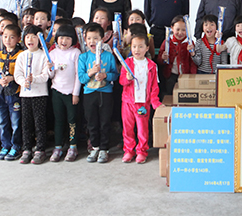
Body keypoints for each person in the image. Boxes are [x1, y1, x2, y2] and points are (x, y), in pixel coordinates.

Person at [79, 23, 120, 164]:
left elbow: (115, 75)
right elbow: (81, 78)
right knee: (91, 122)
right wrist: (90, 72)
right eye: (89, 38)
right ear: (85, 40)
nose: (92, 41)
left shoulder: (108, 56)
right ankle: (95, 147)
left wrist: (105, 75)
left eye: (96, 38)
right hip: (89, 93)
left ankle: (104, 149)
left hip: (105, 93)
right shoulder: (83, 57)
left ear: (102, 40)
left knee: (105, 122)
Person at [120, 33, 162, 164]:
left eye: (140, 46)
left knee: (142, 129)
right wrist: (127, 79)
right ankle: (129, 150)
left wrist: (155, 102)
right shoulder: (127, 63)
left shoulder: (152, 65)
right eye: (134, 46)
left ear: (147, 48)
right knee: (127, 128)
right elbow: (121, 81)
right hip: (127, 102)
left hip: (143, 103)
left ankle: (142, 151)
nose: (137, 49)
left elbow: (154, 87)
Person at [13, 25, 52, 165]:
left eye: (34, 37)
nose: (30, 40)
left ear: (40, 40)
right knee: (26, 123)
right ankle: (27, 149)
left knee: (39, 122)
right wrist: (23, 82)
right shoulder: (22, 55)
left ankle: (40, 149)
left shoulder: (44, 55)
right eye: (28, 37)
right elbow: (17, 74)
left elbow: (46, 76)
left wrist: (33, 79)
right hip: (25, 95)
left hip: (40, 94)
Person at [48, 25, 81, 163]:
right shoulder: (53, 53)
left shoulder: (76, 53)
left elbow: (78, 75)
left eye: (68, 38)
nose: (64, 41)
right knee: (59, 120)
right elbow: (51, 76)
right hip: (56, 91)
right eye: (61, 38)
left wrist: (75, 93)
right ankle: (58, 147)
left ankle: (73, 146)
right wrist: (50, 69)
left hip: (71, 93)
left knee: (72, 120)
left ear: (73, 39)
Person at [0, 24, 23, 161]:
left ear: (18, 38)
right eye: (5, 36)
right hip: (1, 92)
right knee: (2, 121)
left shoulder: (21, 54)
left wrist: (12, 78)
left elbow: (23, 73)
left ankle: (16, 146)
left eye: (12, 37)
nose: (8, 40)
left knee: (15, 121)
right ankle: (5, 145)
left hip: (15, 92)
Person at [157, 15, 197, 96]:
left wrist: (193, 75)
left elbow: (193, 62)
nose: (180, 33)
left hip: (185, 76)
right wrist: (162, 58)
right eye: (177, 29)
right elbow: (159, 60)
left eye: (183, 30)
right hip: (170, 75)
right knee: (170, 95)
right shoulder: (167, 41)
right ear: (172, 28)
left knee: (184, 95)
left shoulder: (189, 43)